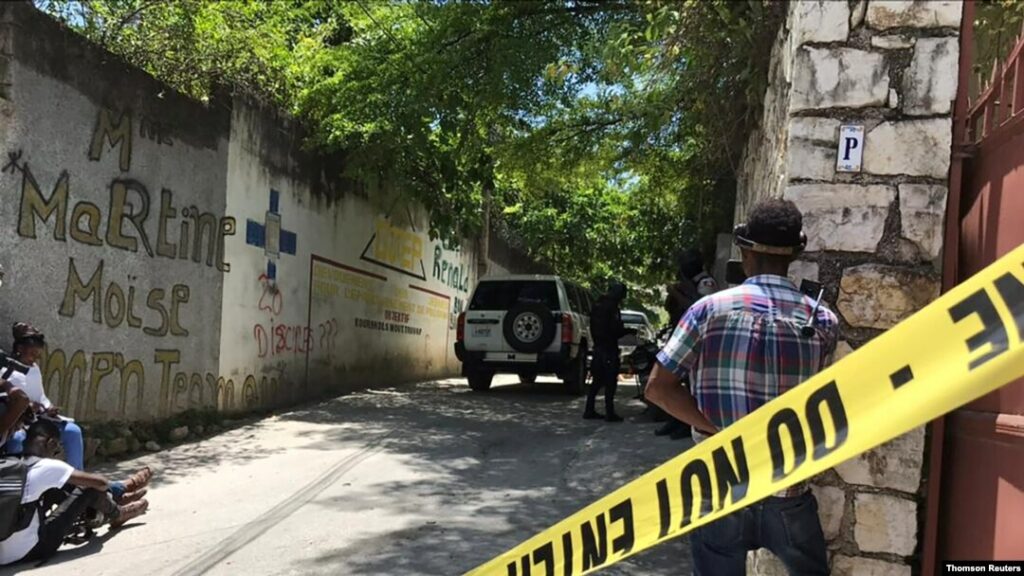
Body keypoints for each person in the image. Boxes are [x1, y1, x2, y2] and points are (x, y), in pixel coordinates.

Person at [645, 199, 838, 576]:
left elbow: (658, 388)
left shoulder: (707, 311)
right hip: (789, 491)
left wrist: (717, 431)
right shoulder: (823, 321)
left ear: (745, 251)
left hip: (721, 487)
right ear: (794, 254)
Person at [0, 418, 151, 566]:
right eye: (56, 448)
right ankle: (118, 514)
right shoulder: (47, 466)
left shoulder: (11, 463)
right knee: (88, 488)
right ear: (50, 443)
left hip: (2, 554)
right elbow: (101, 483)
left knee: (59, 486)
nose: (56, 452)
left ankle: (114, 500)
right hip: (32, 549)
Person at [656, 249, 719, 439]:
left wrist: (676, 292)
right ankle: (676, 420)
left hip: (698, 339)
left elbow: (699, 308)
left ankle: (688, 423)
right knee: (678, 382)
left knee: (692, 386)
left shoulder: (706, 282)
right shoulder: (687, 282)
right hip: (682, 335)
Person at [4, 323, 85, 469]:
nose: (34, 359)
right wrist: (26, 406)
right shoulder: (6, 370)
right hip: (18, 423)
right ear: (20, 348)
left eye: (37, 355)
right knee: (17, 440)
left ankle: (76, 475)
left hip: (38, 420)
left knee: (73, 431)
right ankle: (17, 476)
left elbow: (40, 396)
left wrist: (48, 407)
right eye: (32, 354)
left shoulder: (34, 369)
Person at [584, 281, 634, 423]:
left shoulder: (598, 305)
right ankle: (609, 412)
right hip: (608, 348)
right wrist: (628, 331)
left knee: (597, 381)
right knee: (610, 381)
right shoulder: (611, 307)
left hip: (598, 347)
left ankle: (589, 409)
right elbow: (614, 330)